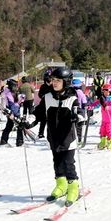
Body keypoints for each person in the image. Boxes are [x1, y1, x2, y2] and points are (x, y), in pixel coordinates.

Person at [21, 67, 82, 206]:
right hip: (53, 136)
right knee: (57, 163)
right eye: (53, 80)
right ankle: (61, 186)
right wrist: (29, 121)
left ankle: (73, 188)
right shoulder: (47, 97)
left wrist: (77, 117)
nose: (54, 83)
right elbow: (38, 113)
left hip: (68, 138)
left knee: (68, 164)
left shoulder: (73, 98)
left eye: (58, 80)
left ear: (66, 82)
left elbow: (80, 112)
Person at [89, 83, 111, 150]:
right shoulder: (102, 99)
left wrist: (109, 107)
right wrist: (91, 106)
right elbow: (96, 103)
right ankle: (103, 141)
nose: (105, 92)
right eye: (104, 91)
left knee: (109, 130)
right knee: (102, 130)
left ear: (110, 91)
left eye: (107, 91)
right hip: (104, 119)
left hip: (110, 119)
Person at [37, 70, 53, 138]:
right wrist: (43, 96)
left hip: (52, 104)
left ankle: (51, 134)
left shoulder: (53, 86)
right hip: (44, 104)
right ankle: (41, 133)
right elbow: (39, 94)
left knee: (51, 120)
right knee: (43, 120)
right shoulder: (43, 86)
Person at [71, 79, 87, 143]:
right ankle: (79, 139)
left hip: (72, 109)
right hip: (80, 110)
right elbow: (84, 102)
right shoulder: (80, 92)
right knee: (79, 126)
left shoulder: (70, 92)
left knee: (72, 125)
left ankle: (72, 139)